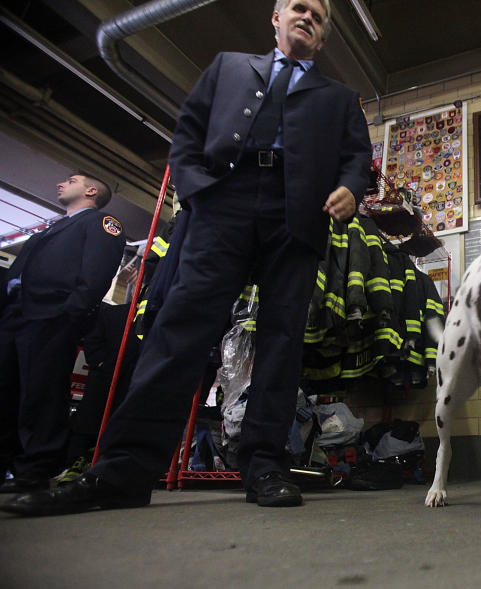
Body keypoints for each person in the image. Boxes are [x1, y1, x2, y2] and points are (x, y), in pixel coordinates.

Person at [2, 0, 371, 516]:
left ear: (325, 36)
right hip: (224, 203)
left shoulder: (340, 97)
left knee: (281, 340)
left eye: (318, 15)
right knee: (179, 328)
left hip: (299, 213)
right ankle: (123, 470)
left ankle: (265, 464)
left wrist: (351, 190)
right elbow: (188, 132)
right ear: (275, 16)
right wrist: (199, 193)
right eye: (298, 7)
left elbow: (359, 160)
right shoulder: (227, 67)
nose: (307, 16)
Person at [0, 173, 125, 492]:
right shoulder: (52, 227)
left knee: (42, 390)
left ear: (91, 191)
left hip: (53, 315)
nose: (60, 184)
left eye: (72, 180)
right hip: (18, 315)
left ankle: (36, 467)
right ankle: (9, 462)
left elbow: (97, 271)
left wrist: (71, 312)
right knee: (8, 388)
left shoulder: (101, 222)